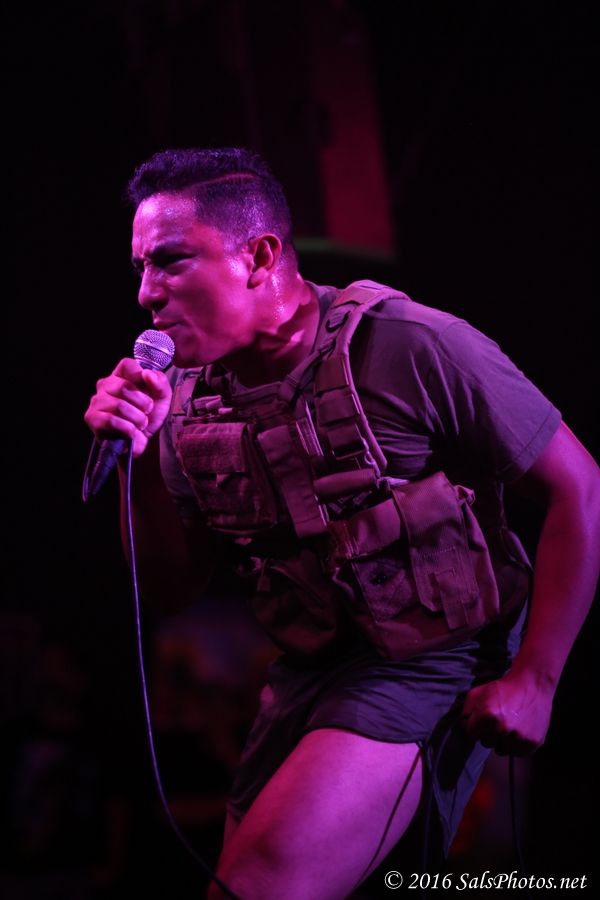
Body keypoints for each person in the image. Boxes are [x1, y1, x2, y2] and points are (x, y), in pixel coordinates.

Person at [84, 147, 600, 900]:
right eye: (140, 268)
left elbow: (578, 489)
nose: (145, 293)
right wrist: (139, 455)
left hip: (432, 658)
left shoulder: (410, 344)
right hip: (306, 674)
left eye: (170, 262)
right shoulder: (184, 399)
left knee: (257, 888)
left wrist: (537, 678)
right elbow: (170, 590)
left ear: (259, 256)